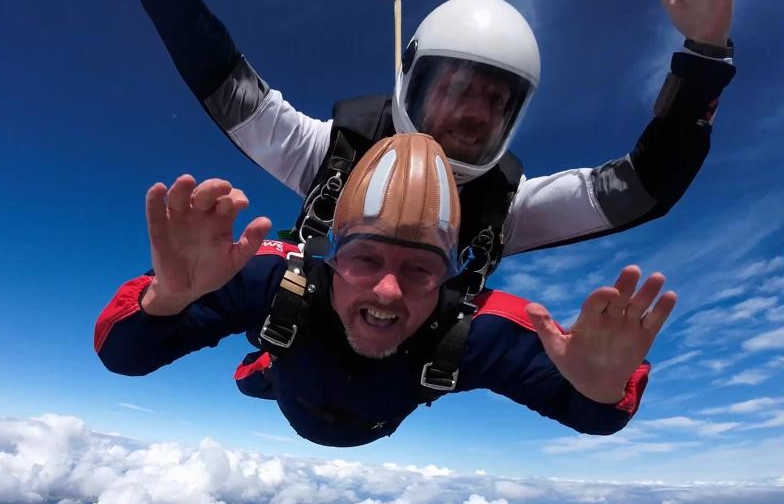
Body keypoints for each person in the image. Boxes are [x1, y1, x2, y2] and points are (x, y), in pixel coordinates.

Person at [95, 134, 676, 447]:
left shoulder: (476, 329)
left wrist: (599, 390)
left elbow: (595, 415)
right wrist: (169, 298)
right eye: (365, 259)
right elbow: (123, 355)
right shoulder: (274, 280)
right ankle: (270, 365)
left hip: (362, 414)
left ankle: (276, 363)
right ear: (328, 256)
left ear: (451, 279)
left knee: (286, 364)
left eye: (422, 270)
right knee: (259, 375)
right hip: (288, 384)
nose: (390, 290)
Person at [139, 0, 735, 296]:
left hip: (401, 380)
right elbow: (227, 84)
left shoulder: (508, 206)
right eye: (455, 87)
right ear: (412, 79)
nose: (475, 110)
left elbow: (641, 187)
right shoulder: (329, 153)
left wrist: (706, 53)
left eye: (497, 99)